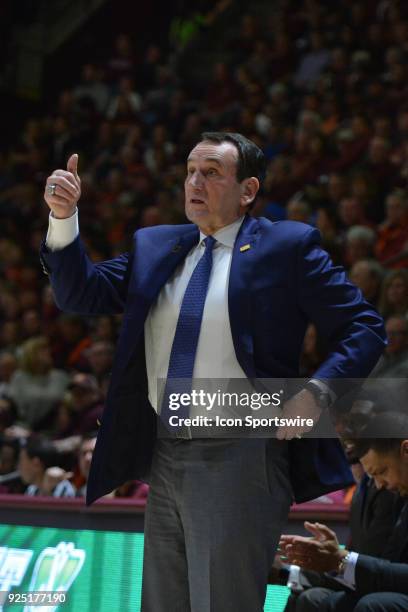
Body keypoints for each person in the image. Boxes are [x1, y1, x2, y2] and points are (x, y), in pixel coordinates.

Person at [40, 132, 385, 611]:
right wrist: (63, 218)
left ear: (248, 190)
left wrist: (317, 393)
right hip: (164, 451)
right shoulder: (156, 246)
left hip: (240, 447)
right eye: (190, 171)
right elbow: (80, 294)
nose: (194, 182)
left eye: (212, 172)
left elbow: (364, 326)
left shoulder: (286, 246)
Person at [279, 410, 408, 611]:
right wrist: (335, 558)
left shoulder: (391, 496)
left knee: (372, 605)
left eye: (381, 472)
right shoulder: (380, 492)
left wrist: (342, 560)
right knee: (317, 600)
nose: (380, 485)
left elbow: (383, 565)